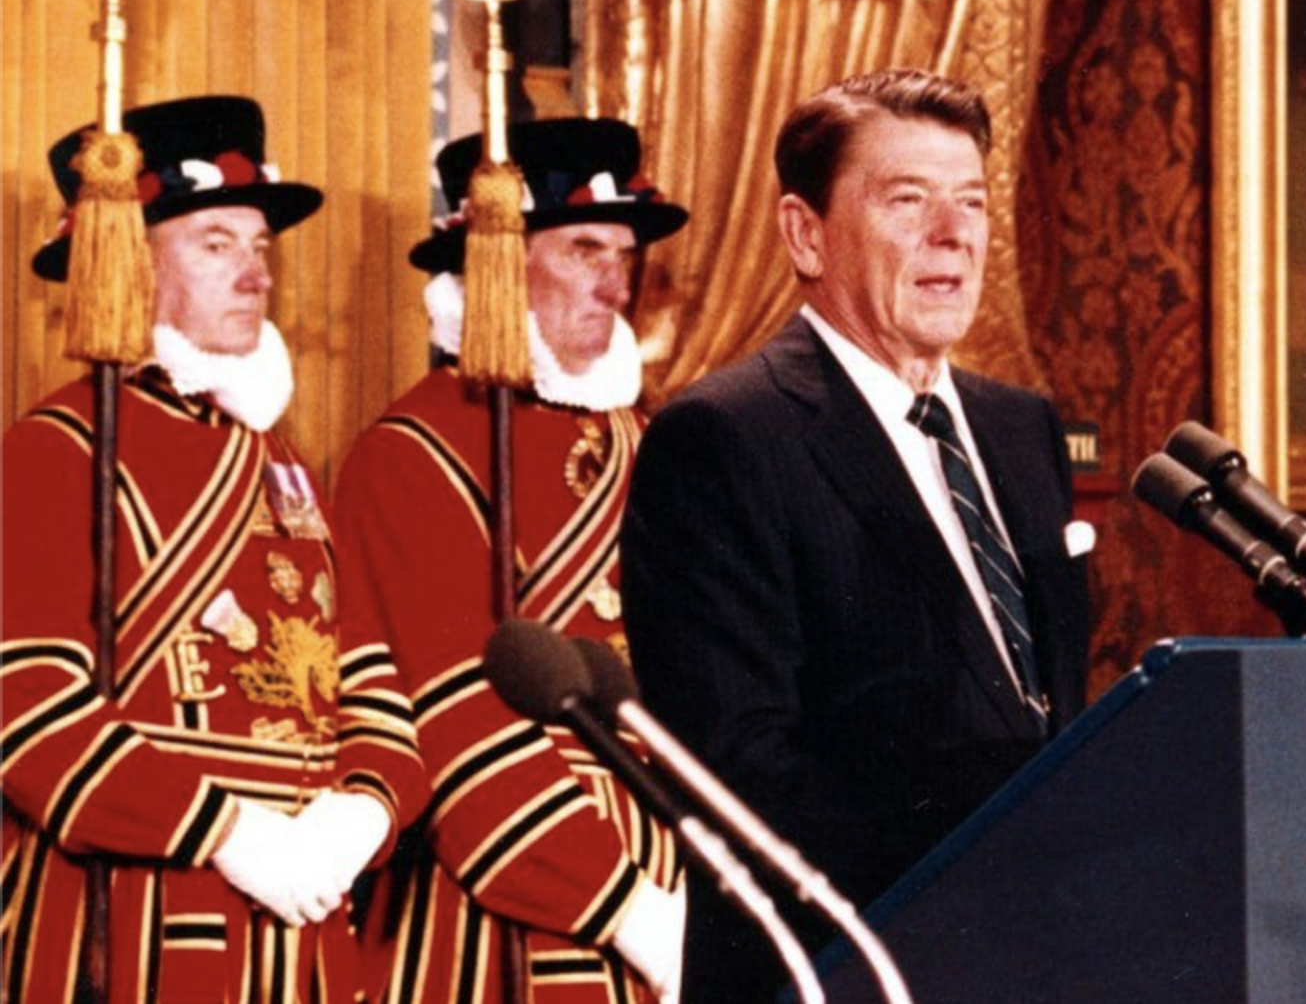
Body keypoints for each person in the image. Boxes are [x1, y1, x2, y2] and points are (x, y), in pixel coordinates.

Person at [622, 68, 1094, 1003]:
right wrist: (993, 867)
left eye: (970, 203)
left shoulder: (1021, 429)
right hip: (841, 969)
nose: (952, 234)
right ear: (806, 233)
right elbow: (740, 771)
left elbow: (1044, 710)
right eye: (907, 200)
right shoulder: (724, 438)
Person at [1, 95, 429, 1001]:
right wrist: (230, 833)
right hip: (137, 919)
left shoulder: (287, 462)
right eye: (216, 244)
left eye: (259, 246)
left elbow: (367, 669)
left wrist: (365, 807)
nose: (255, 273)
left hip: (301, 933)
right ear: (127, 262)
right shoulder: (58, 447)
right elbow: (27, 709)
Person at [332, 118, 690, 1002]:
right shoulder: (410, 452)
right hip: (501, 904)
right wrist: (630, 908)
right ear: (495, 261)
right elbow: (456, 721)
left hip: (679, 868)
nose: (614, 282)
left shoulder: (653, 441)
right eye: (581, 250)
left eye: (621, 253)